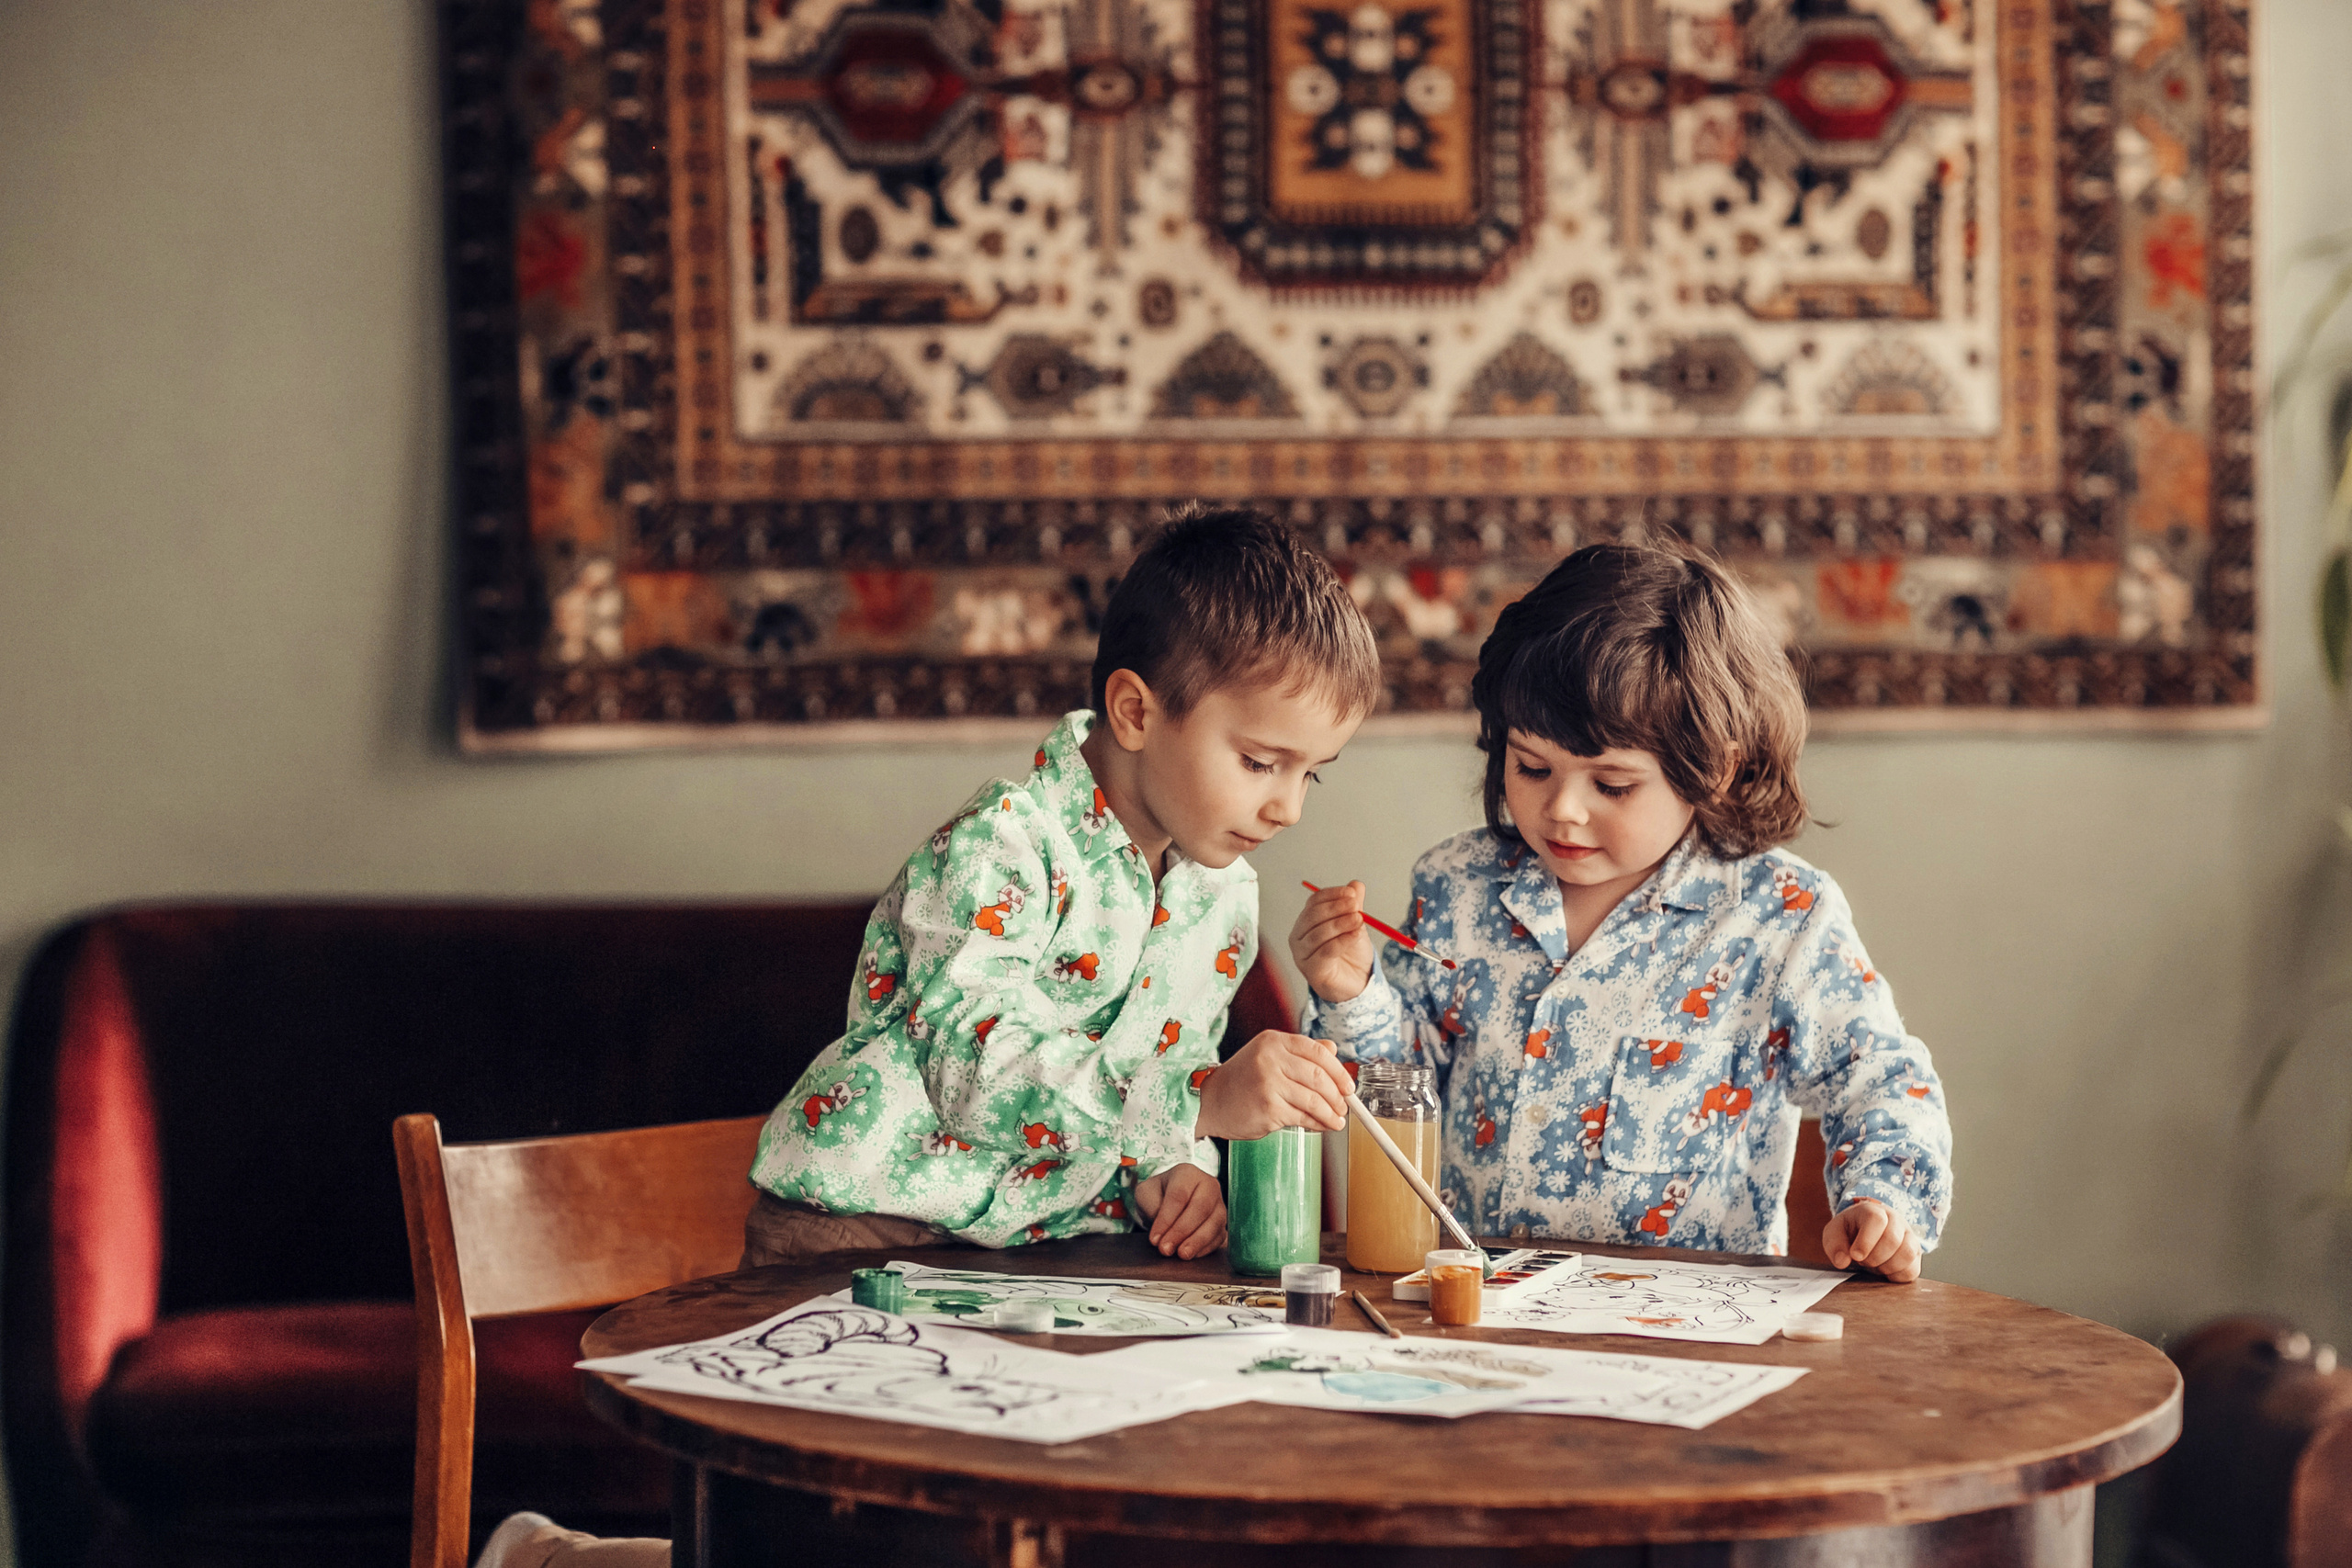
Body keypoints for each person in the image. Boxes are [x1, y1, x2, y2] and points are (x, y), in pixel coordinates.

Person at [476, 506, 1376, 1568]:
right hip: (866, 1233)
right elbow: (975, 1063)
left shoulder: (1221, 892)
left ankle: (562, 1561)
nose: (1287, 808)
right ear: (1135, 710)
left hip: (1041, 1255)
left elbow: (1152, 1069)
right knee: (838, 1542)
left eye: (1310, 773)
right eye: (1263, 760)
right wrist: (1197, 1108)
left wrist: (1166, 1171)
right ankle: (557, 1560)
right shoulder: (1001, 844)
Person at [1290, 542, 1952, 1279]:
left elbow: (1883, 1076)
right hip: (1475, 1306)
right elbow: (1398, 1088)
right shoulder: (1456, 886)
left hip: (1689, 1329)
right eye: (1532, 767)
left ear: (1714, 766)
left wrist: (1883, 1198)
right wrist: (1353, 988)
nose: (1563, 810)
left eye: (1612, 783)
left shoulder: (1780, 916)